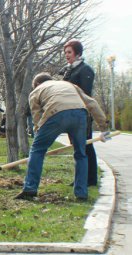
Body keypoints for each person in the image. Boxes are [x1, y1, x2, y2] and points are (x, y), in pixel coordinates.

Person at [15, 73, 108, 201]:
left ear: (36, 84)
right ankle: (81, 193)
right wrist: (104, 128)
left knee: (37, 150)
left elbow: (36, 117)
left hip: (55, 113)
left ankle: (30, 188)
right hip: (80, 114)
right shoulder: (70, 85)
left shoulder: (36, 91)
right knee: (81, 153)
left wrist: (39, 134)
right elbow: (92, 103)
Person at [59, 39, 97, 186]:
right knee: (76, 146)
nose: (66, 55)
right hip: (70, 113)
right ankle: (81, 178)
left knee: (86, 145)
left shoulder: (85, 69)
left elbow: (85, 93)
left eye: (69, 52)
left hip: (83, 113)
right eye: (65, 52)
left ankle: (90, 179)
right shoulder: (68, 70)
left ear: (78, 53)